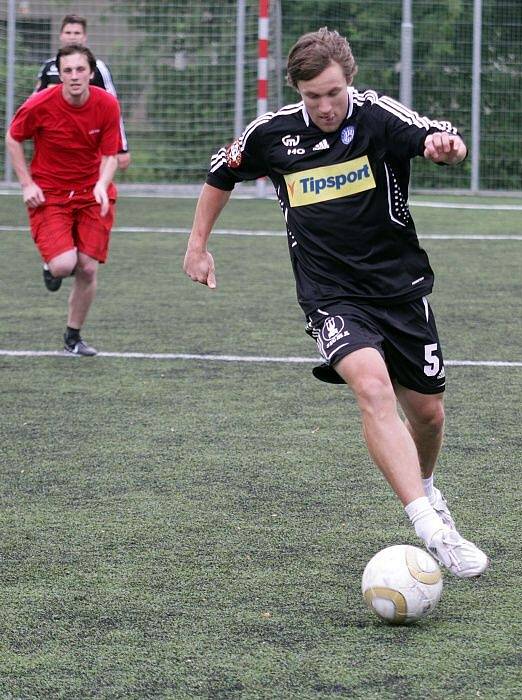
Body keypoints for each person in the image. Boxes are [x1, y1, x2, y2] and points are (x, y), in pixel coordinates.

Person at [183, 28, 489, 578]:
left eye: (332, 92)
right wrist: (197, 246)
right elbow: (220, 172)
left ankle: (427, 488)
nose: (324, 106)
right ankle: (433, 531)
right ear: (298, 92)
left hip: (398, 289)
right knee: (371, 388)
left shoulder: (376, 116)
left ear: (349, 80)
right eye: (311, 96)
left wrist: (449, 146)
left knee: (428, 413)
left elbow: (435, 136)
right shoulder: (273, 135)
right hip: (330, 295)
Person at [6, 44, 121, 356]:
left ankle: (73, 337)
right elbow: (13, 137)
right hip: (50, 195)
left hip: (91, 194)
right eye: (67, 70)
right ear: (60, 74)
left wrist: (102, 183)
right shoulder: (40, 104)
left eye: (80, 70)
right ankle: (51, 264)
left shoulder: (107, 105)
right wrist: (27, 184)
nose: (74, 76)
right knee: (63, 265)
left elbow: (111, 154)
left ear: (91, 73)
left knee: (88, 269)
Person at [35, 14, 131, 171]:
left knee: (93, 188)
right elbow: (34, 104)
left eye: (77, 33)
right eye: (68, 33)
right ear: (61, 36)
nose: (72, 37)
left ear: (84, 37)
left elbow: (114, 109)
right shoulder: (48, 68)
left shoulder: (97, 68)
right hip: (56, 147)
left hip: (90, 144)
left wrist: (122, 147)